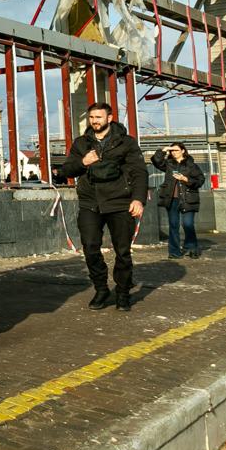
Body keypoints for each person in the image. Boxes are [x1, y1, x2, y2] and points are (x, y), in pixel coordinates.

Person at [58, 102, 148, 312]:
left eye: (98, 117)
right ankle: (101, 289)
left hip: (120, 202)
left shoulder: (126, 142)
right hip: (90, 203)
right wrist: (83, 162)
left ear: (109, 118)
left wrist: (138, 199)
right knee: (90, 248)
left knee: (122, 251)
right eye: (91, 117)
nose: (94, 121)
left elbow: (139, 172)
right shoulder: (82, 143)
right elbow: (67, 170)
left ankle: (123, 293)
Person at [151, 143, 205, 259]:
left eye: (176, 150)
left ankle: (191, 247)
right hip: (172, 199)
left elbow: (200, 180)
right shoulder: (169, 164)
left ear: (183, 151)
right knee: (173, 225)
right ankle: (174, 252)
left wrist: (185, 179)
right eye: (172, 151)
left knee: (188, 224)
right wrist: (164, 150)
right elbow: (156, 161)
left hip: (188, 199)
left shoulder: (191, 165)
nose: (174, 152)